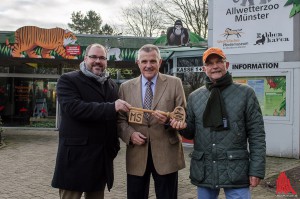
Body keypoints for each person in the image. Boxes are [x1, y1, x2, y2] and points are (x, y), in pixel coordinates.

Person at [170, 47, 266, 199]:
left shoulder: (246, 93)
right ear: (204, 69)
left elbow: (257, 134)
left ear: (226, 65)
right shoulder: (195, 97)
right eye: (210, 63)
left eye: (218, 61)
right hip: (205, 169)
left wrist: (256, 170)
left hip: (235, 168)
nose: (214, 66)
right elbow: (191, 131)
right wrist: (181, 127)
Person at [51, 43, 131, 199]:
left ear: (106, 61)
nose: (98, 61)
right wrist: (111, 107)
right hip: (75, 160)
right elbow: (74, 108)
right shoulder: (68, 80)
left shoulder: (111, 85)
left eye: (102, 58)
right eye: (93, 57)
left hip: (100, 161)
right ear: (85, 58)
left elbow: (114, 120)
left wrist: (113, 148)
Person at [118, 44, 186, 199]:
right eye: (144, 61)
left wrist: (168, 121)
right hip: (137, 153)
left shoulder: (175, 83)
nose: (148, 65)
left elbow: (182, 114)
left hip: (166, 154)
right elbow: (120, 120)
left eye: (153, 61)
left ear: (160, 62)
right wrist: (130, 134)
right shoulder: (125, 87)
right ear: (138, 63)